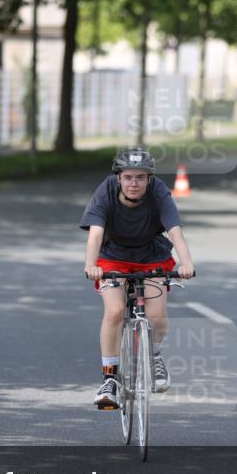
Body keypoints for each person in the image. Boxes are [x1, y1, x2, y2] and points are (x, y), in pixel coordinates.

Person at [80, 147, 196, 408]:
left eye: (141, 178)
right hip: (112, 258)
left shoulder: (158, 192)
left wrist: (186, 262)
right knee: (115, 311)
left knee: (157, 315)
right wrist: (91, 264)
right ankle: (109, 379)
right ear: (118, 178)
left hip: (152, 255)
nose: (134, 183)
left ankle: (154, 357)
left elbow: (174, 230)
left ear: (149, 179)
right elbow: (96, 233)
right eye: (129, 177)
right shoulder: (106, 191)